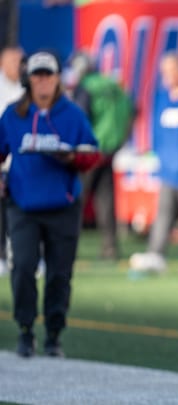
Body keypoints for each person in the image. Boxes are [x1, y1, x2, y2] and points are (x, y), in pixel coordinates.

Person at [0, 51, 101, 357]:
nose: (42, 81)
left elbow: (91, 154)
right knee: (23, 267)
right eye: (37, 75)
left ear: (58, 78)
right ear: (27, 79)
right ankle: (25, 329)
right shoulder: (12, 115)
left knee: (59, 272)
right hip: (23, 205)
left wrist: (71, 157)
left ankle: (54, 333)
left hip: (62, 205)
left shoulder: (72, 115)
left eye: (48, 74)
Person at [128, 53, 178, 278]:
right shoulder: (161, 96)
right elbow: (158, 131)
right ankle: (156, 254)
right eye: (164, 70)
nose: (167, 75)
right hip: (167, 170)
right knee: (163, 215)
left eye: (172, 69)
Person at [67, 51, 134, 260]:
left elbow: (79, 118)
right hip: (110, 150)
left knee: (76, 198)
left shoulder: (86, 87)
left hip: (90, 150)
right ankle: (110, 247)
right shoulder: (112, 85)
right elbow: (131, 111)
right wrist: (118, 143)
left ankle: (67, 246)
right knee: (105, 199)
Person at [0, 46, 24, 276]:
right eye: (14, 61)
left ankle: (25, 254)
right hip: (2, 158)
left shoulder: (28, 88)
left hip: (23, 162)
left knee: (22, 210)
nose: (19, 65)